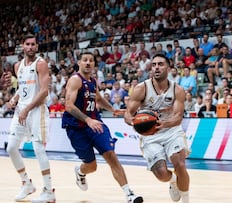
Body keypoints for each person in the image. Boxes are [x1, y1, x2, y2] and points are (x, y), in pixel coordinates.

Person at [61, 52, 143, 203]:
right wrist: (87, 120)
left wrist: (113, 110)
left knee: (111, 155)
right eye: (85, 60)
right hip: (77, 127)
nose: (88, 63)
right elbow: (68, 106)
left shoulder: (93, 81)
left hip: (95, 124)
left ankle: (129, 194)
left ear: (94, 65)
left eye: (91, 60)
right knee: (91, 166)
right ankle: (80, 171)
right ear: (79, 63)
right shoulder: (75, 80)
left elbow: (97, 98)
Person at [124, 54, 190, 203]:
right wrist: (133, 121)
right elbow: (128, 113)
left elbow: (178, 116)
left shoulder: (177, 90)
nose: (156, 67)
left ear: (168, 67)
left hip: (171, 130)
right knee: (161, 174)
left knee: (180, 164)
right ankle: (173, 181)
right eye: (154, 65)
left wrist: (165, 124)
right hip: (150, 135)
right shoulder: (141, 88)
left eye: (160, 64)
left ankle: (185, 199)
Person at [6, 34, 56, 202]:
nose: (30, 47)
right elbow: (23, 88)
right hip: (21, 111)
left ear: (37, 46)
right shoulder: (17, 66)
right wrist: (14, 99)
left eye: (33, 44)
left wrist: (26, 108)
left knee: (38, 149)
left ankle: (49, 191)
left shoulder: (41, 64)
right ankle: (27, 183)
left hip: (36, 111)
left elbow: (44, 91)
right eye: (27, 44)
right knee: (11, 148)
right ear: (23, 46)